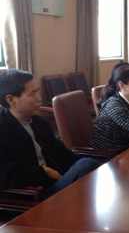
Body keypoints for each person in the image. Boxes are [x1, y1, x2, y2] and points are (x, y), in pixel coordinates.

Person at [0, 69, 100, 200]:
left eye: (37, 92)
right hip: (31, 198)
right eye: (32, 94)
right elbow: (6, 177)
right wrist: (44, 172)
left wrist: (94, 162)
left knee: (90, 165)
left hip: (52, 186)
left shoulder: (39, 122)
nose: (39, 98)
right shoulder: (3, 129)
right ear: (11, 100)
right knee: (86, 165)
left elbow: (63, 154)